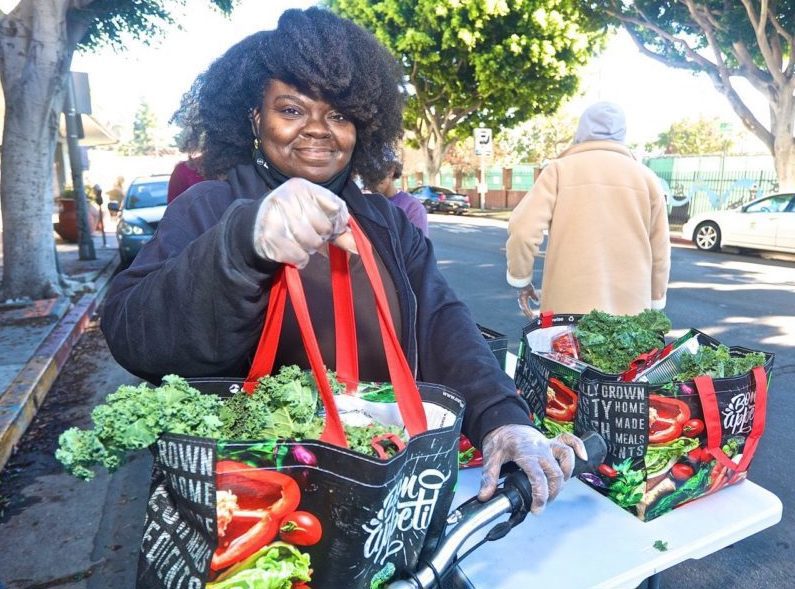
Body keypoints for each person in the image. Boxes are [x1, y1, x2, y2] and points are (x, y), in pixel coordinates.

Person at [101, 7, 584, 511]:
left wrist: (503, 419)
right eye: (290, 110)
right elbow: (134, 335)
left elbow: (443, 325)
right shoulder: (210, 209)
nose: (317, 130)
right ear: (254, 117)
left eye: (338, 115)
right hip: (255, 503)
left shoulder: (387, 223)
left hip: (383, 488)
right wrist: (243, 243)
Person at [506, 101, 671, 318]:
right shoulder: (647, 179)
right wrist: (656, 298)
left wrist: (522, 279)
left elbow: (523, 230)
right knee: (630, 352)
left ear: (581, 130)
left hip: (567, 311)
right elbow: (660, 250)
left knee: (558, 352)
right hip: (631, 316)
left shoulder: (558, 171)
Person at [361, 160, 429, 236]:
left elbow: (421, 245)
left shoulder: (413, 207)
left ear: (390, 171)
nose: (369, 182)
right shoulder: (365, 203)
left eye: (375, 175)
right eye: (365, 175)